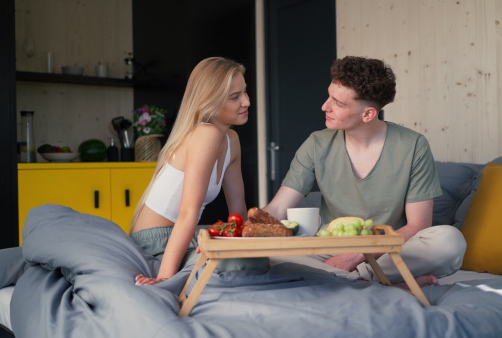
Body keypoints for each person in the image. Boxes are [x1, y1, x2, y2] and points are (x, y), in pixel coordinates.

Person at [263, 56, 466, 287]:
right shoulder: (316, 143)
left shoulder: (413, 145)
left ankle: (353, 277)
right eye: (329, 95)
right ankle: (387, 281)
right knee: (265, 256)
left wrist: (358, 255)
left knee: (449, 241)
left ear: (368, 114)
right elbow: (278, 208)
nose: (324, 106)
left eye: (338, 103)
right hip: (328, 251)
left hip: (385, 252)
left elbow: (418, 226)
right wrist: (243, 236)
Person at [131, 57, 252, 285]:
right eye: (235, 97)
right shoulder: (205, 134)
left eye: (245, 92)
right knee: (229, 268)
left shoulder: (231, 139)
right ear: (210, 101)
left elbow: (238, 212)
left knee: (250, 261)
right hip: (156, 241)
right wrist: (165, 278)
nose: (246, 101)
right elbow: (187, 211)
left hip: (185, 234)